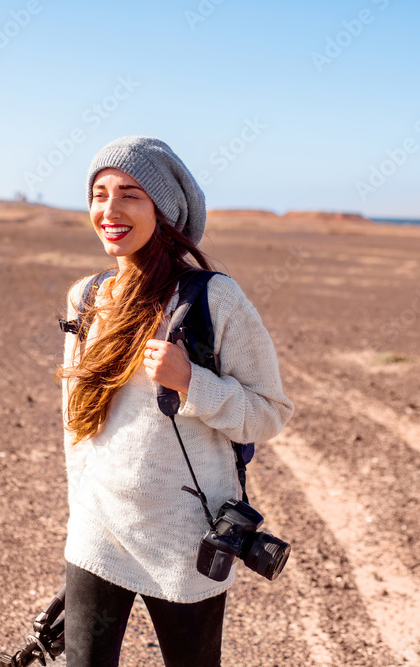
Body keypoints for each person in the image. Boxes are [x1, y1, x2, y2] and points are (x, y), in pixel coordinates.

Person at [55, 136, 294, 666]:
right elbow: (77, 426)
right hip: (98, 531)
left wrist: (193, 383)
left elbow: (269, 412)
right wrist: (78, 520)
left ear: (165, 211)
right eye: (99, 194)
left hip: (186, 541)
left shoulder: (213, 298)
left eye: (130, 195)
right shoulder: (87, 299)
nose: (109, 211)